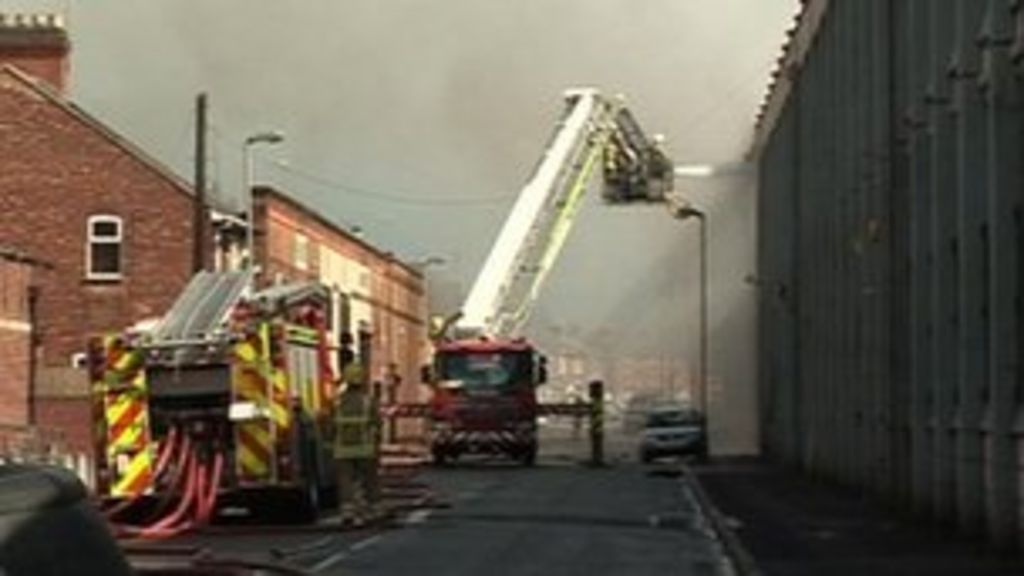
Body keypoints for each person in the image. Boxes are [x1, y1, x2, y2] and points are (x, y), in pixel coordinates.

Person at [333, 360, 380, 526]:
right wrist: (377, 446)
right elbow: (377, 423)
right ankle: (371, 510)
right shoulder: (368, 401)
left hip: (342, 449)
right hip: (365, 448)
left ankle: (348, 512)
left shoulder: (337, 401)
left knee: (345, 481)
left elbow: (329, 424)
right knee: (369, 480)